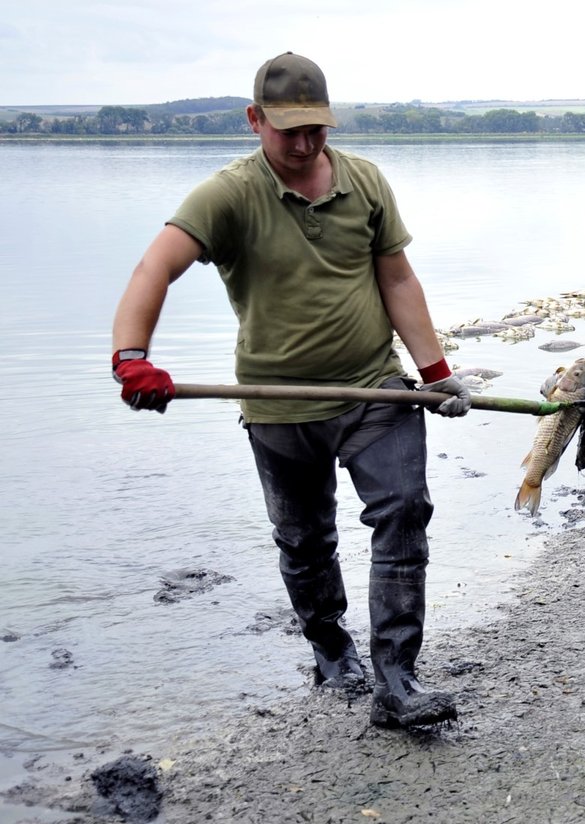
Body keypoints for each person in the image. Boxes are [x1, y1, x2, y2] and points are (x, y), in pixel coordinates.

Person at [111, 52, 471, 730]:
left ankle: (396, 679)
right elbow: (154, 268)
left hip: (376, 392)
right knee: (304, 542)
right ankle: (332, 649)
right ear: (255, 121)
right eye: (288, 131)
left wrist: (433, 374)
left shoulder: (364, 181)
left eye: (317, 130)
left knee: (403, 513)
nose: (305, 145)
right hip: (279, 403)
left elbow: (397, 279)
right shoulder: (227, 195)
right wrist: (133, 357)